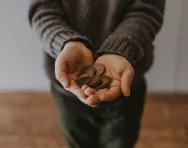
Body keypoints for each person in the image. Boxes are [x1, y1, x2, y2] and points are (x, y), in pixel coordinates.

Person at [28, 0, 165, 147]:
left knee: (121, 142)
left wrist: (121, 48)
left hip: (126, 82)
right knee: (77, 142)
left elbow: (147, 11)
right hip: (68, 89)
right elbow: (42, 9)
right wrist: (66, 42)